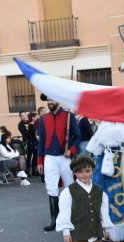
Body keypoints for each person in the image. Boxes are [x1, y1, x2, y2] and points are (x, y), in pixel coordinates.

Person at [37, 95, 81, 232]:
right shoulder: (43, 119)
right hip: (49, 157)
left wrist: (72, 150)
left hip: (64, 157)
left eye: (52, 99)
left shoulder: (69, 116)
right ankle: (54, 220)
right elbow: (41, 141)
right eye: (48, 100)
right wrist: (40, 160)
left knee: (70, 187)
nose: (50, 102)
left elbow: (78, 137)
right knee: (51, 188)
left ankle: (74, 218)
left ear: (58, 101)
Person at [18, 111, 37, 177]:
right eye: (22, 115)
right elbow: (25, 133)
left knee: (35, 156)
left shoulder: (29, 123)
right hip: (27, 142)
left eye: (25, 115)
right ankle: (28, 171)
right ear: (20, 117)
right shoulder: (21, 124)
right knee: (28, 157)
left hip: (34, 141)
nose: (24, 116)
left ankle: (35, 171)